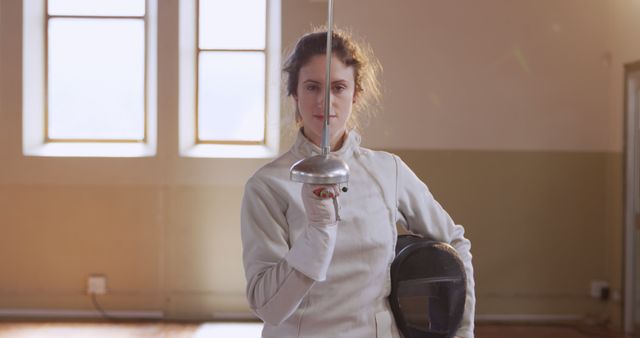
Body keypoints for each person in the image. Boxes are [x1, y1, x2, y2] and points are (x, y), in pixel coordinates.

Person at [241, 28, 475, 338]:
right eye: (312, 87)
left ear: (356, 93)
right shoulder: (267, 185)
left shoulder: (387, 170)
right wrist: (318, 234)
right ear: (295, 93)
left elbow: (454, 244)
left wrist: (462, 331)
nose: (325, 101)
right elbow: (269, 308)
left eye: (338, 87)